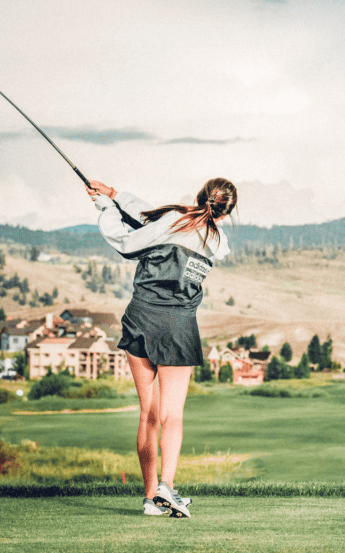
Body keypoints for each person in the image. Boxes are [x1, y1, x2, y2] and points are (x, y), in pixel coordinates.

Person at [88, 178, 237, 518]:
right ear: (227, 213)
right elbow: (151, 218)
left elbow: (131, 237)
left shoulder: (170, 219)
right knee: (172, 414)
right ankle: (166, 489)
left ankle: (150, 496)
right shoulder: (217, 241)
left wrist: (107, 207)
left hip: (140, 318)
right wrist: (114, 196)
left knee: (149, 414)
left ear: (200, 196)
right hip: (178, 326)